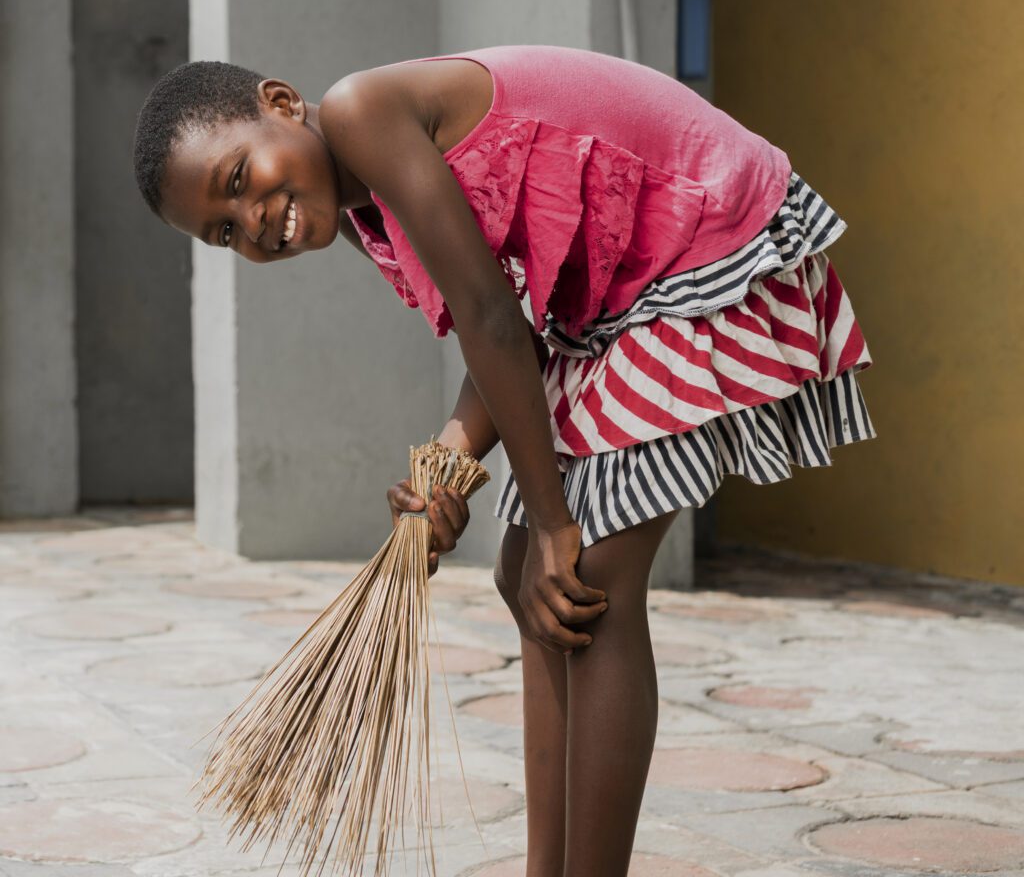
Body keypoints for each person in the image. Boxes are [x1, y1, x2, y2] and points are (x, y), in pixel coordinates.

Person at [133, 44, 877, 877]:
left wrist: (557, 520)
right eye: (224, 231)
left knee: (585, 578)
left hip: (707, 236)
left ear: (280, 102)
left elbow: (491, 318)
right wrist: (445, 466)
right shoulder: (357, 211)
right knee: (521, 574)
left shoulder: (358, 112)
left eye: (239, 179)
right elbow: (507, 324)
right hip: (615, 299)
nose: (252, 220)